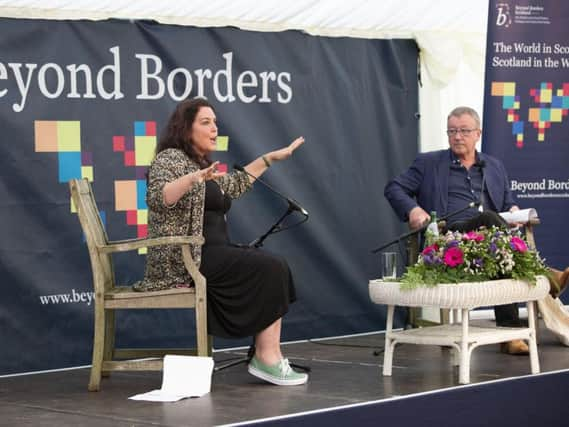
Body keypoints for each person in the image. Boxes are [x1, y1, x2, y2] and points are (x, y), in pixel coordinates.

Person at [134, 97, 308, 386]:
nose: (214, 128)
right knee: (271, 267)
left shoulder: (200, 164)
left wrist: (269, 159)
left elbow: (235, 185)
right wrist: (192, 179)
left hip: (213, 253)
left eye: (215, 122)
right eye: (205, 122)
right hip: (186, 260)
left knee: (273, 266)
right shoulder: (170, 159)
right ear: (185, 128)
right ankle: (267, 359)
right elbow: (158, 197)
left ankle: (270, 356)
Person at [384, 106, 569, 355]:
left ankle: (510, 332)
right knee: (492, 224)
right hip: (450, 239)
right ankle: (541, 282)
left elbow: (506, 203)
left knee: (498, 241)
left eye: (464, 131)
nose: (457, 136)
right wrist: (413, 210)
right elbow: (394, 188)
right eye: (452, 131)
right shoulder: (428, 163)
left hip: (490, 244)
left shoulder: (494, 167)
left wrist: (513, 210)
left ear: (478, 133)